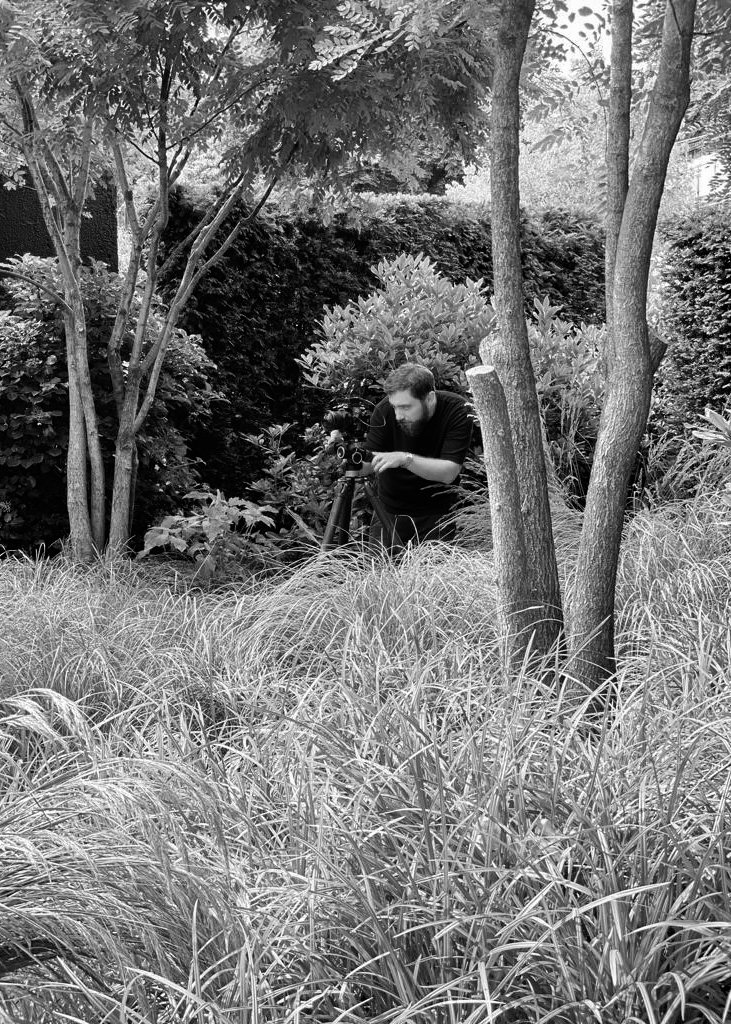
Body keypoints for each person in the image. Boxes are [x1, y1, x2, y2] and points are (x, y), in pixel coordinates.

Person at [362, 363, 473, 552]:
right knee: (379, 577)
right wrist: (348, 458)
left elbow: (449, 472)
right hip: (388, 513)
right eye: (395, 407)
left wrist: (405, 459)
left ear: (429, 399)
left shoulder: (457, 410)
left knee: (434, 580)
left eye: (405, 407)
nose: (398, 416)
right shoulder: (384, 410)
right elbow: (368, 465)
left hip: (437, 516)